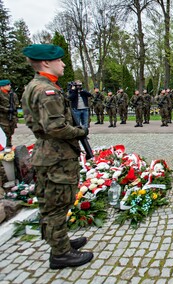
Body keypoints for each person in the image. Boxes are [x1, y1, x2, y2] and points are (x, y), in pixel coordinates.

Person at [21, 44, 93, 269]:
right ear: (45, 63)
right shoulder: (45, 90)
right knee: (56, 205)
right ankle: (60, 255)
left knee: (57, 203)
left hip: (50, 154)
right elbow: (55, 127)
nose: (63, 64)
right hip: (56, 156)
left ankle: (61, 244)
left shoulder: (38, 86)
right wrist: (81, 131)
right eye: (60, 61)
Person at [0, 79, 19, 148]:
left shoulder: (13, 94)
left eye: (9, 84)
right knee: (5, 133)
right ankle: (5, 146)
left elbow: (16, 103)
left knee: (10, 132)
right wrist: (7, 109)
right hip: (2, 118)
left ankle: (9, 145)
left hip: (12, 117)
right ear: (2, 86)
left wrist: (13, 108)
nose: (9, 86)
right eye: (7, 85)